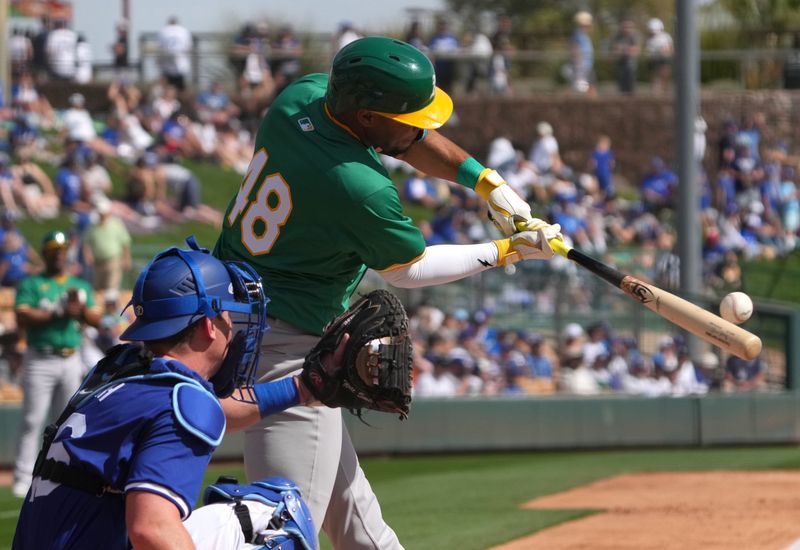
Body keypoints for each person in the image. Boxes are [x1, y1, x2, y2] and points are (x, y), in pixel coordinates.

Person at [213, 36, 560, 550]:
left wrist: (485, 181)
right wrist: (506, 250)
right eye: (409, 114)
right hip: (280, 346)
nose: (423, 125)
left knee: (360, 528)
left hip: (239, 312)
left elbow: (407, 140)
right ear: (369, 117)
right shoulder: (358, 184)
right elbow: (410, 270)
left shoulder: (302, 97)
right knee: (283, 531)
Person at [11, 239, 328, 548]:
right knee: (278, 515)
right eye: (229, 316)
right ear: (208, 325)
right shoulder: (184, 400)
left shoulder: (119, 373)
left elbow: (209, 412)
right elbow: (151, 531)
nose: (233, 328)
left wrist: (303, 387)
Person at [11, 230, 102, 498]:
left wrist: (81, 311)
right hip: (41, 357)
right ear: (46, 253)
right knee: (33, 419)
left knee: (67, 421)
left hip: (70, 356)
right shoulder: (32, 283)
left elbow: (97, 318)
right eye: (54, 251)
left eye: (62, 251)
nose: (59, 255)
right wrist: (58, 312)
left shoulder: (79, 285)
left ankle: (62, 471)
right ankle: (23, 476)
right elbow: (23, 315)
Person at [157, 16, 193, 91]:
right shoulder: (184, 30)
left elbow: (160, 47)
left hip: (167, 61)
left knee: (167, 86)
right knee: (179, 87)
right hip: (180, 62)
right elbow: (188, 47)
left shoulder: (163, 30)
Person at [612, 17, 640, 95]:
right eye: (625, 26)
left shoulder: (634, 36)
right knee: (621, 88)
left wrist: (624, 50)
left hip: (631, 66)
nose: (627, 29)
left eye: (629, 27)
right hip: (620, 65)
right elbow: (616, 50)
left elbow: (635, 51)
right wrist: (626, 50)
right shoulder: (618, 36)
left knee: (630, 88)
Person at [569, 11, 595, 95]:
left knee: (590, 87)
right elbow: (575, 49)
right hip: (582, 67)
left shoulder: (584, 35)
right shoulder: (577, 34)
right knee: (581, 89)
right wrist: (578, 65)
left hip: (587, 66)